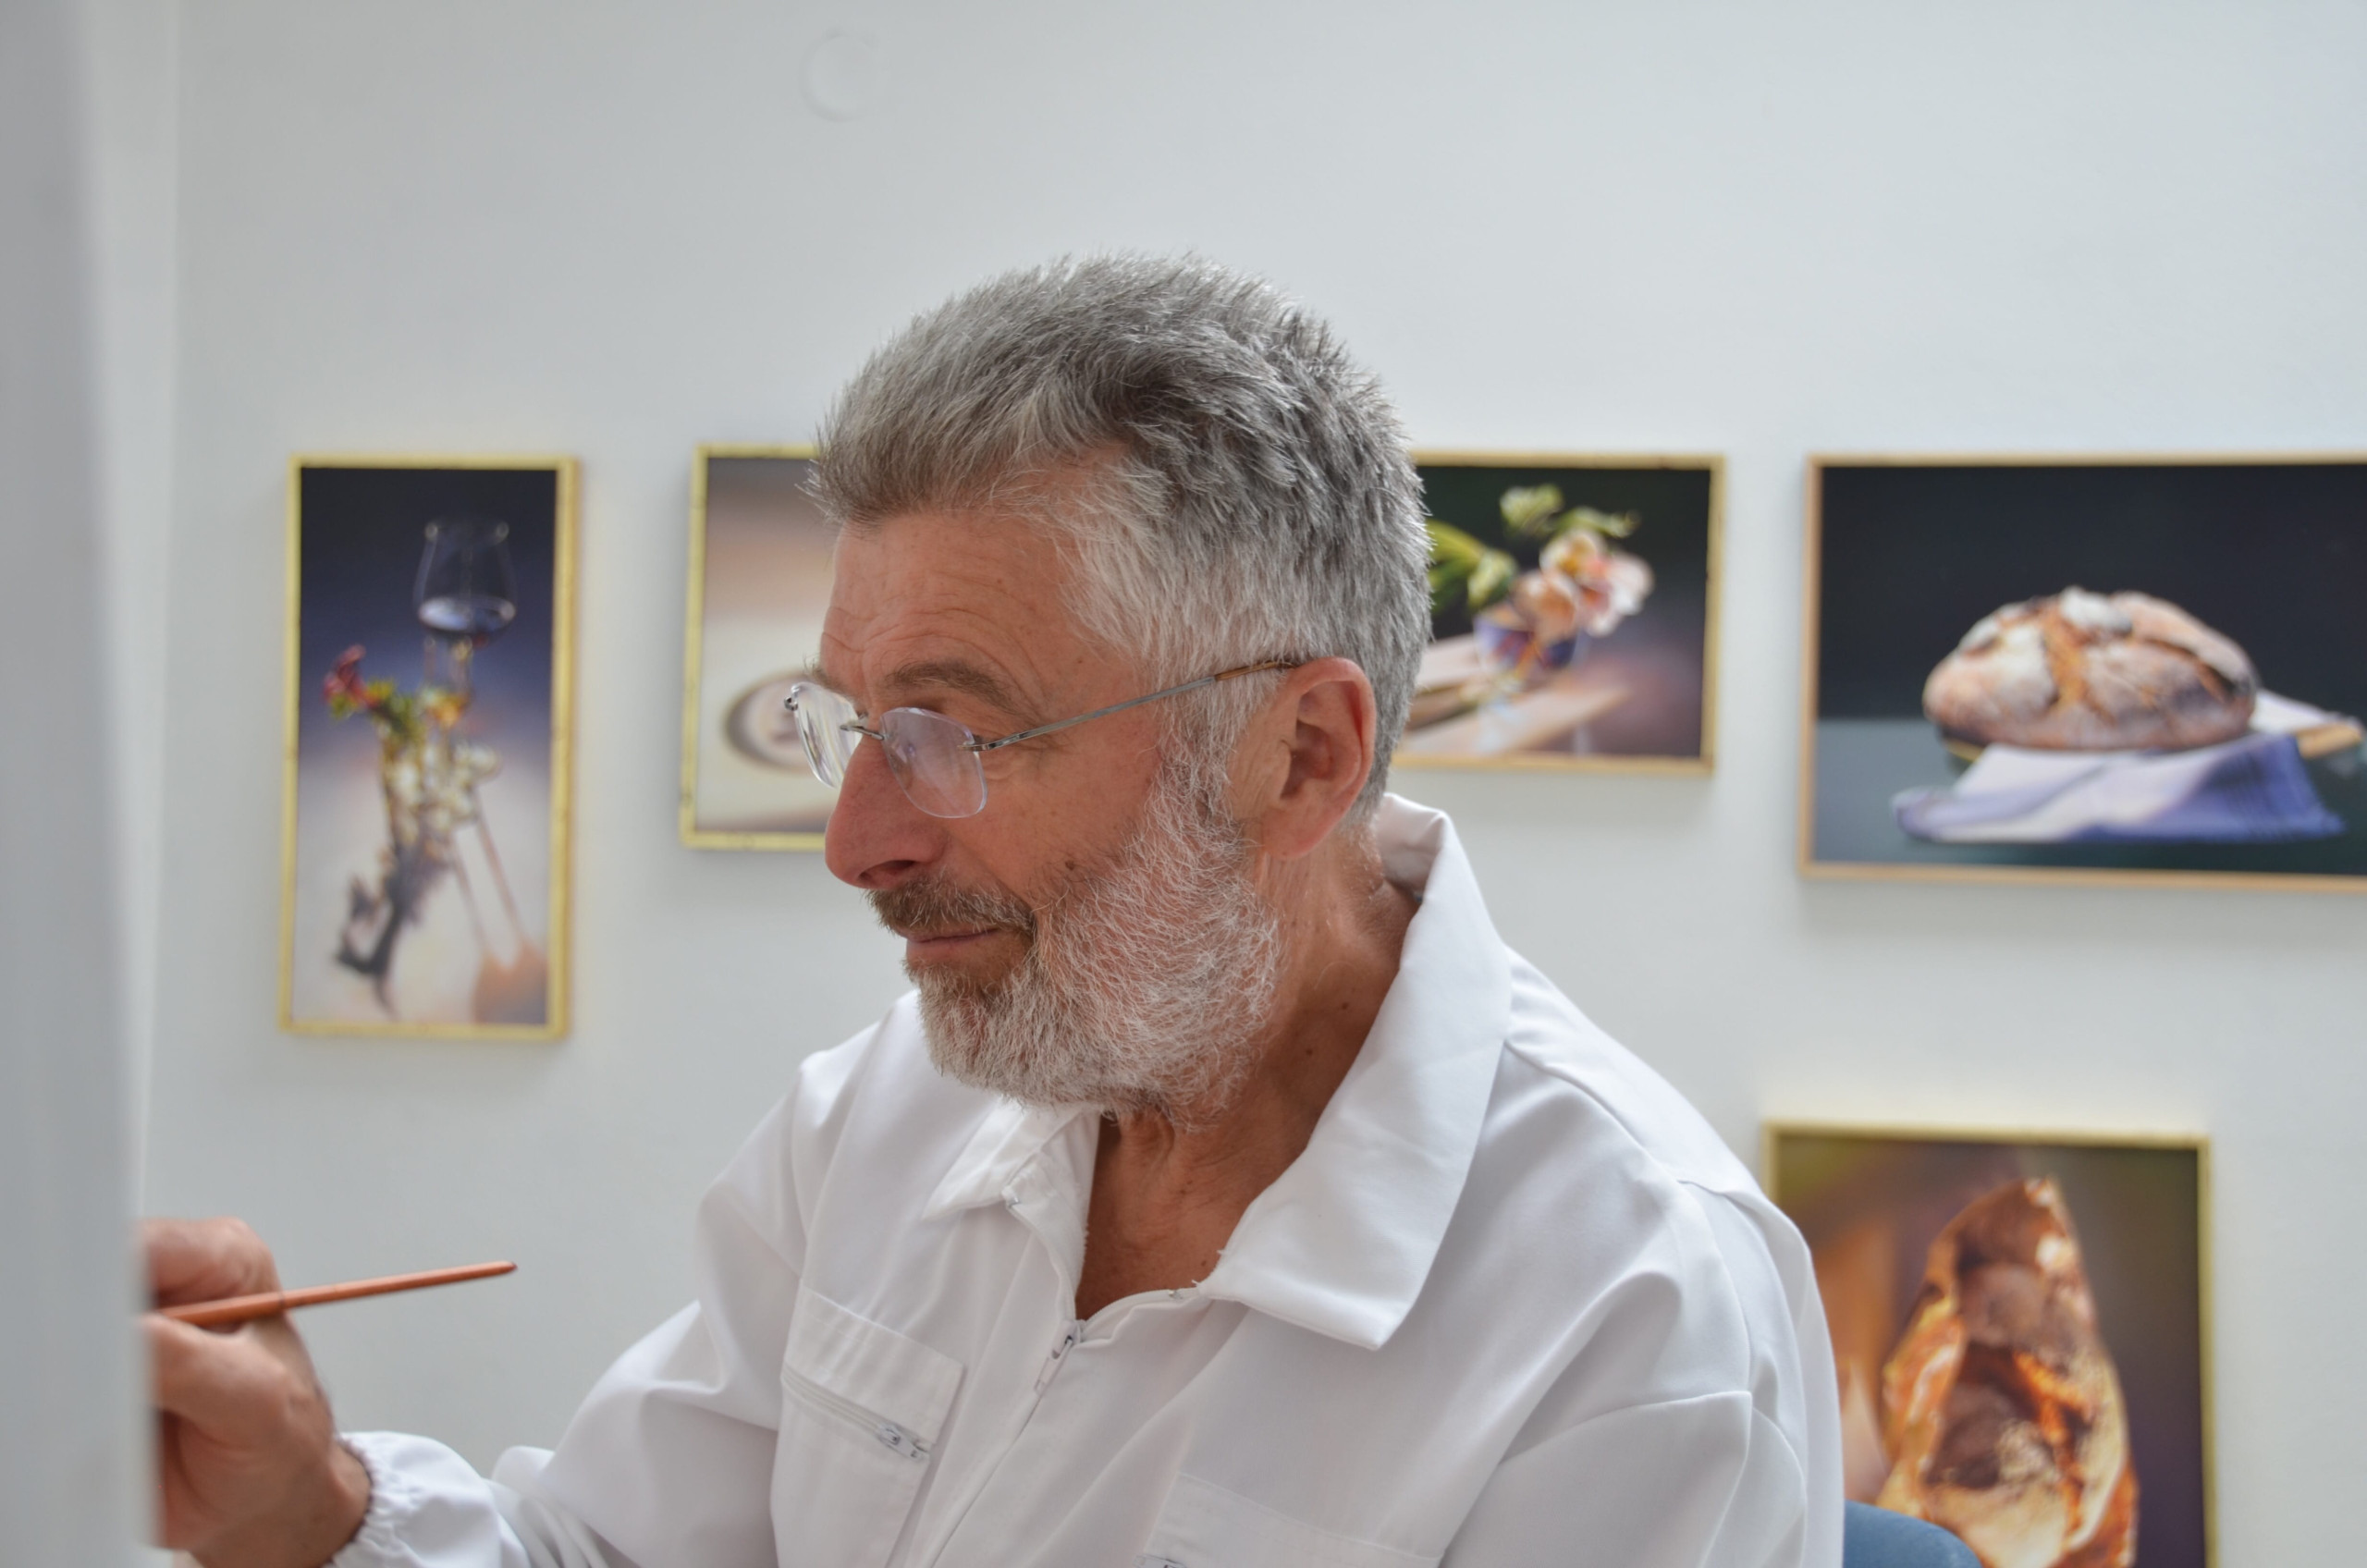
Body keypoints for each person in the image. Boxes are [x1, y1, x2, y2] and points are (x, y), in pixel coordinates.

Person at [146, 256, 1842, 1568]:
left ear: (1300, 756)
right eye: (844, 726)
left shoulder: (1635, 1308)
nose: (858, 842)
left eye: (950, 734)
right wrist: (317, 1507)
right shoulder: (890, 1115)